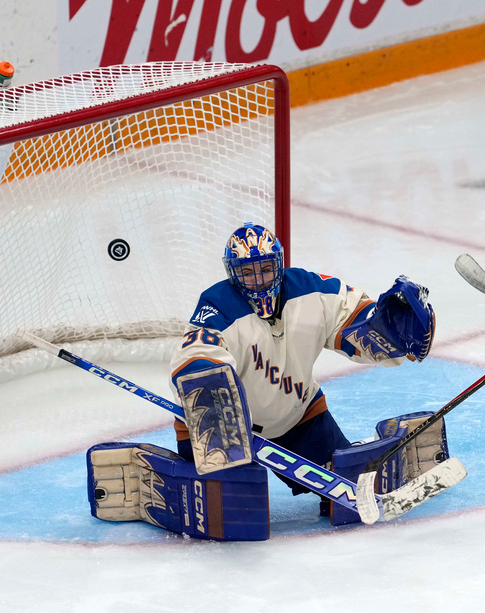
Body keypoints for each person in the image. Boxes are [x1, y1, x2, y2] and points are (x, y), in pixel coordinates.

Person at [86, 222, 439, 540]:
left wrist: (389, 328)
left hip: (298, 417)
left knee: (344, 498)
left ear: (280, 265)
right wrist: (213, 395)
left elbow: (357, 322)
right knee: (231, 516)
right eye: (248, 272)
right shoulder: (218, 306)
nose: (259, 279)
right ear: (233, 274)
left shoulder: (311, 291)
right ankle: (165, 478)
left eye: (266, 269)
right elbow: (194, 357)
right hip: (223, 431)